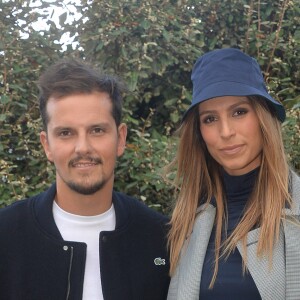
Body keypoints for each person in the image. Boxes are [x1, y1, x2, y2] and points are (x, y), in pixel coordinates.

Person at [0, 59, 170, 300]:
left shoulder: (160, 238)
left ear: (121, 139)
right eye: (65, 133)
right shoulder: (6, 236)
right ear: (46, 145)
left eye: (97, 130)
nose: (83, 147)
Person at [166, 48, 300, 300]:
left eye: (239, 112)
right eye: (209, 119)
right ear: (199, 133)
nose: (225, 131)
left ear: (263, 116)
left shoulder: (294, 209)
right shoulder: (187, 220)